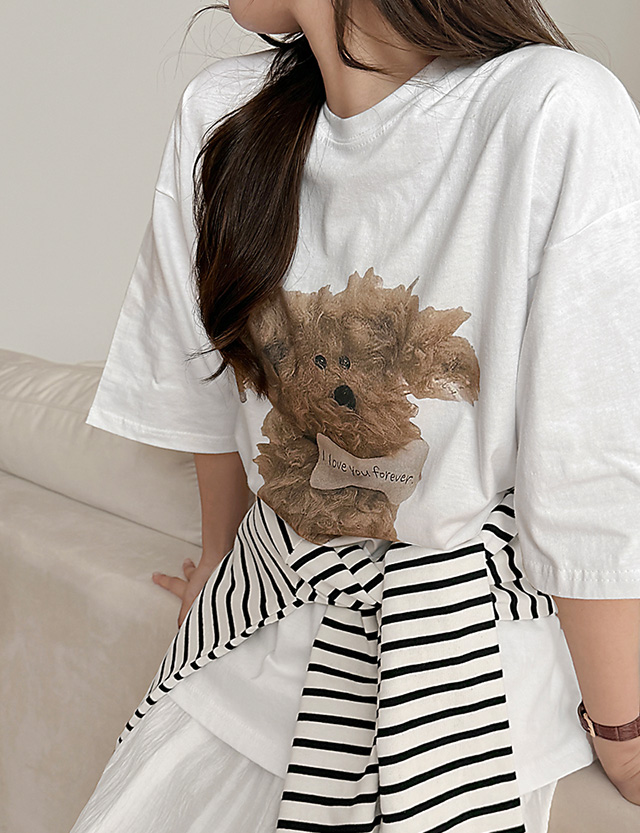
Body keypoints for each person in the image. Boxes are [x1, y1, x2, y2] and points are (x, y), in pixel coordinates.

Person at [70, 1, 640, 831]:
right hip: (243, 664)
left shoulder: (549, 108)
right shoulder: (223, 113)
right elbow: (210, 381)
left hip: (462, 707)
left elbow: (589, 478)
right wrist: (221, 564)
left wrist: (619, 732)